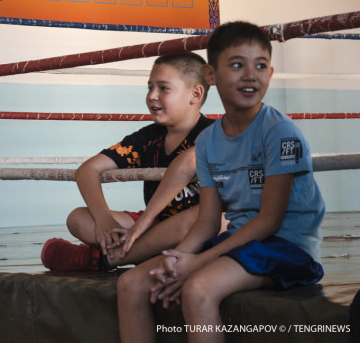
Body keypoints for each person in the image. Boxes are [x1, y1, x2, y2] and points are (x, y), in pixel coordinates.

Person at [117, 21, 325, 343]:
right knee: (131, 283)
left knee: (198, 289)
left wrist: (198, 263)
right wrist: (178, 258)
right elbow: (208, 221)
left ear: (270, 74)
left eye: (260, 66)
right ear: (210, 75)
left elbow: (270, 220)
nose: (250, 75)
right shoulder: (208, 140)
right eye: (237, 65)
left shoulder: (279, 132)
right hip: (238, 241)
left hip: (288, 249)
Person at [41, 52, 217, 271]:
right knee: (78, 219)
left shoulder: (214, 134)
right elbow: (87, 169)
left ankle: (99, 258)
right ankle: (146, 251)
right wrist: (104, 219)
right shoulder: (147, 138)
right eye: (150, 88)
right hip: (154, 225)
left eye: (163, 88)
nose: (152, 96)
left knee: (195, 218)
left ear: (195, 94)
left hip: (200, 231)